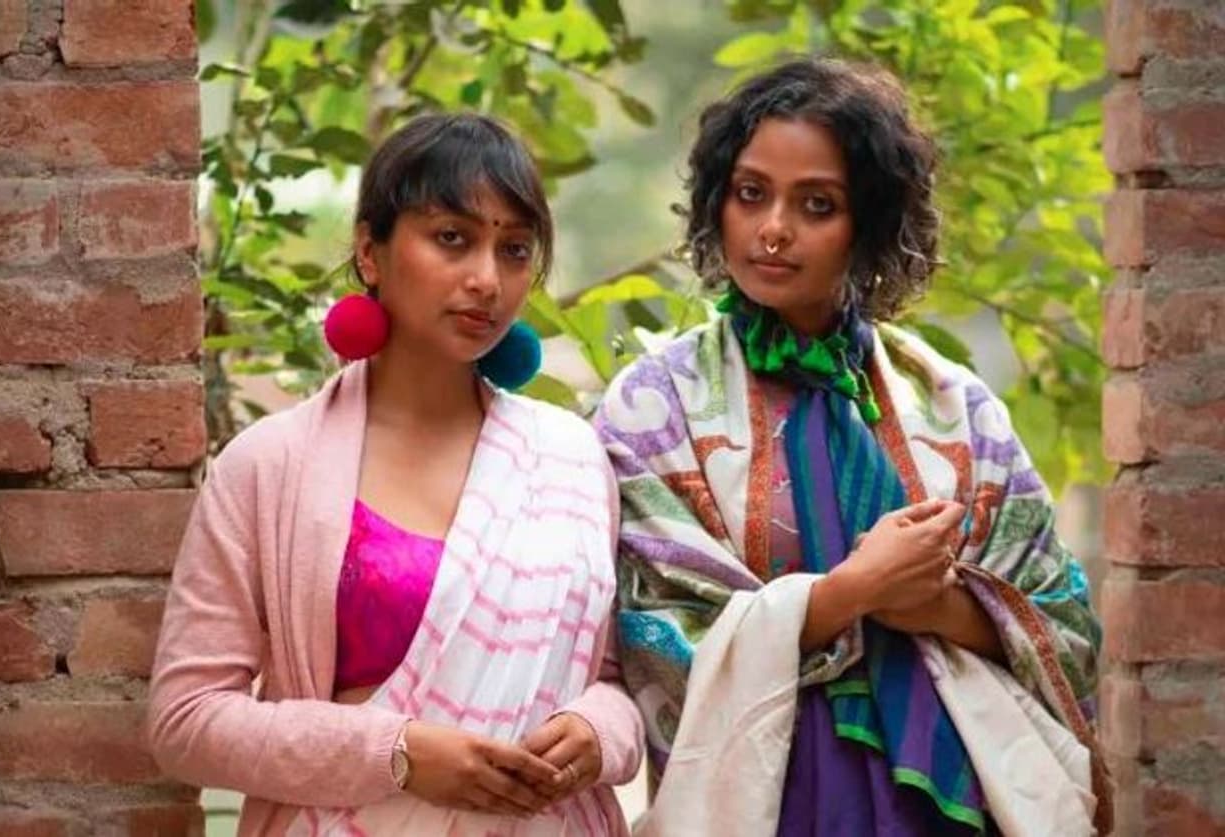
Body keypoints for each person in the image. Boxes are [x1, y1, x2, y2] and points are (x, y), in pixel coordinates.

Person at [593, 58, 1109, 836]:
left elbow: (1064, 623)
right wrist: (849, 594)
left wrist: (938, 605)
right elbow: (650, 638)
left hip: (957, 807)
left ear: (869, 224)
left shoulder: (953, 405)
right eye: (750, 193)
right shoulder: (653, 408)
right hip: (765, 807)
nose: (773, 228)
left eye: (817, 204)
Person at [148, 113, 642, 836]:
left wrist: (596, 734)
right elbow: (186, 719)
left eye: (513, 250)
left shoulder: (569, 456)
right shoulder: (269, 466)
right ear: (370, 252)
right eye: (452, 238)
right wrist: (399, 753)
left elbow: (618, 681)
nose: (487, 279)